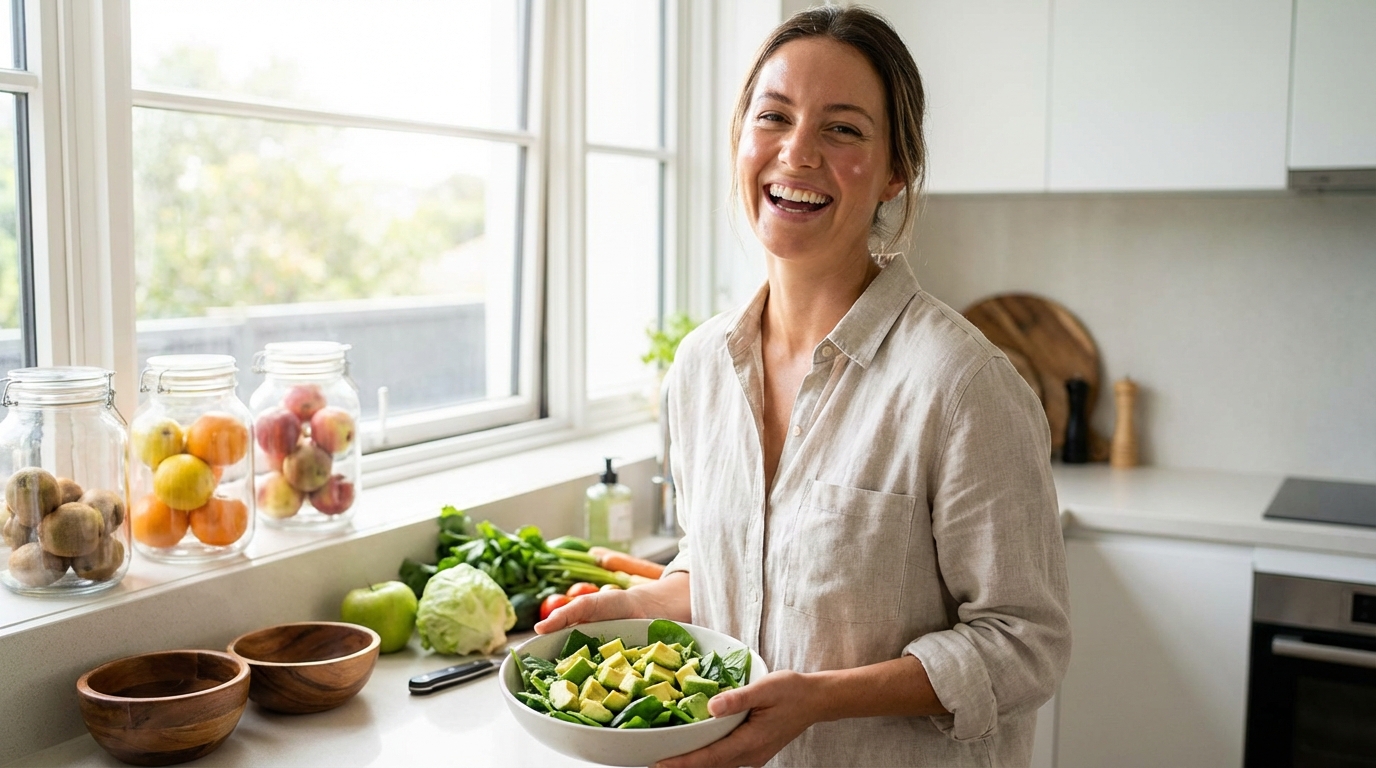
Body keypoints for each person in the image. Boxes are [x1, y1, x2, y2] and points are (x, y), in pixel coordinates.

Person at [537, 7, 1071, 767]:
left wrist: (819, 699)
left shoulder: (960, 386)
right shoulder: (699, 371)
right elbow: (749, 570)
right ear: (739, 142)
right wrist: (644, 605)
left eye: (843, 129)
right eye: (774, 117)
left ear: (897, 170)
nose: (797, 152)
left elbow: (1027, 643)